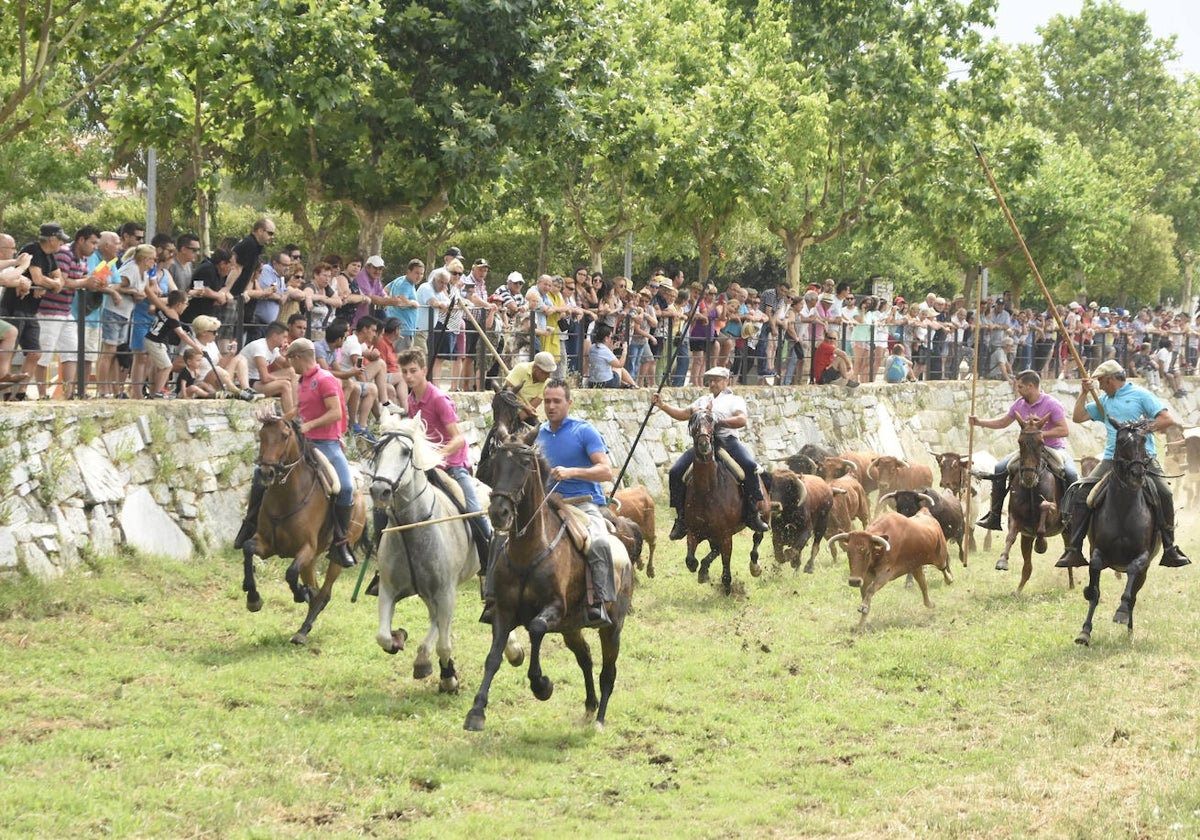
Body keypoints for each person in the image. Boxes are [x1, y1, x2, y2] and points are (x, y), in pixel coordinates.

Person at [1056, 360, 1190, 569]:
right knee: (1082, 493)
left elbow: (1166, 419)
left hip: (1143, 458)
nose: (1099, 386)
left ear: (1111, 379)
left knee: (1165, 493)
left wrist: (1141, 430)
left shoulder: (1141, 395)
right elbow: (1078, 416)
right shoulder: (1104, 401)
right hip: (1112, 459)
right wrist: (1083, 392)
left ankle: (1170, 548)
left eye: (1101, 381)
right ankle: (1074, 550)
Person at [397, 346, 492, 580]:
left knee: (472, 510)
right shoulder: (411, 400)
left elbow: (459, 438)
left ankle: (491, 558)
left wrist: (438, 455)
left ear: (424, 371)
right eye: (405, 372)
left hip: (453, 466)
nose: (409, 376)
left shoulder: (439, 399)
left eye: (413, 371)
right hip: (426, 467)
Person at [653, 365, 771, 540]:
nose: (713, 383)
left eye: (717, 380)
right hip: (702, 443)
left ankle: (753, 513)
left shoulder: (734, 400)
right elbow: (683, 414)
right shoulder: (701, 400)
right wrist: (662, 405)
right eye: (710, 380)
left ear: (726, 381)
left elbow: (741, 419)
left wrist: (719, 420)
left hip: (727, 442)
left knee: (749, 466)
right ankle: (681, 518)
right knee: (675, 471)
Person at [968, 369, 1078, 530]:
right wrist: (979, 422)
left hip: (1053, 448)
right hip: (1027, 450)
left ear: (1031, 386)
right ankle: (995, 514)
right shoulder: (1019, 404)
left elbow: (1064, 430)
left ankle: (1072, 515)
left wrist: (1038, 435)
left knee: (1071, 474)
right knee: (999, 468)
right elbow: (1003, 422)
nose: (1017, 390)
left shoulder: (1052, 404)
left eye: (1020, 387)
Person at [503, 350, 558, 425]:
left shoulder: (547, 383)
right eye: (545, 373)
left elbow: (532, 406)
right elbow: (505, 394)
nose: (548, 376)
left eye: (550, 373)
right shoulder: (521, 369)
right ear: (535, 368)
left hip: (525, 414)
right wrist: (524, 406)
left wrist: (516, 423)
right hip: (506, 409)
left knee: (539, 431)